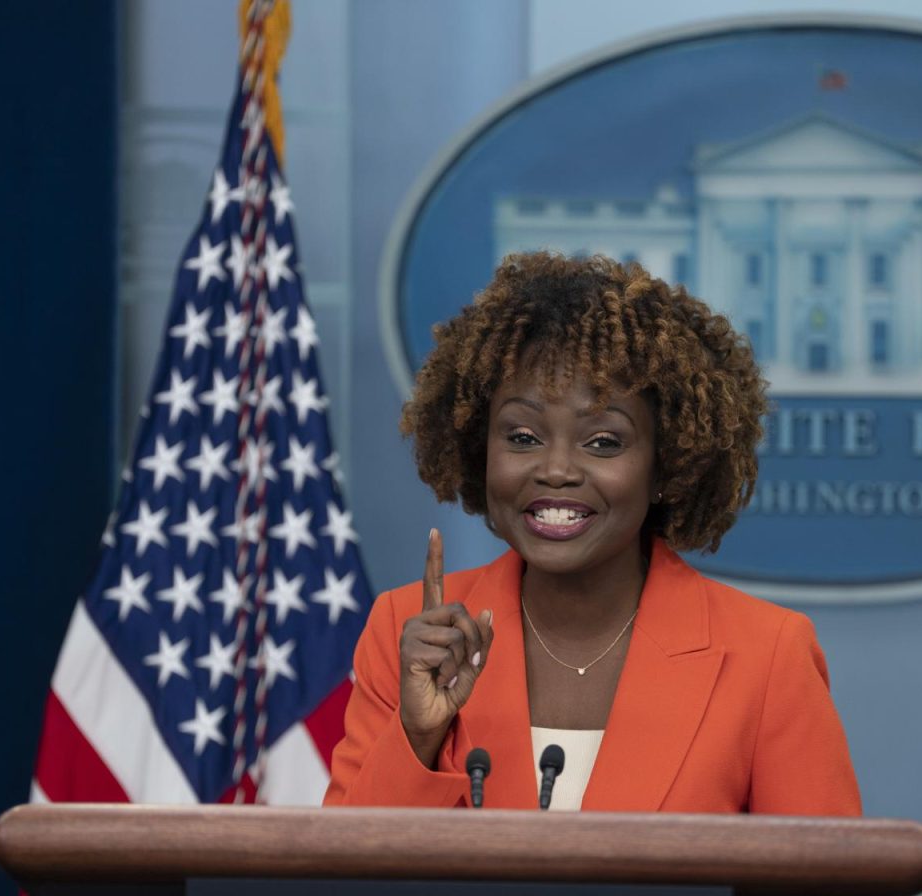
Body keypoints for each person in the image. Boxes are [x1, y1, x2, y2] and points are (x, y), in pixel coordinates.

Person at [323, 252, 860, 814]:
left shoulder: (766, 656)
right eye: (523, 436)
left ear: (666, 466)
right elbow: (338, 888)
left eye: (603, 441)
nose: (556, 469)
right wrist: (417, 736)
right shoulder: (408, 634)